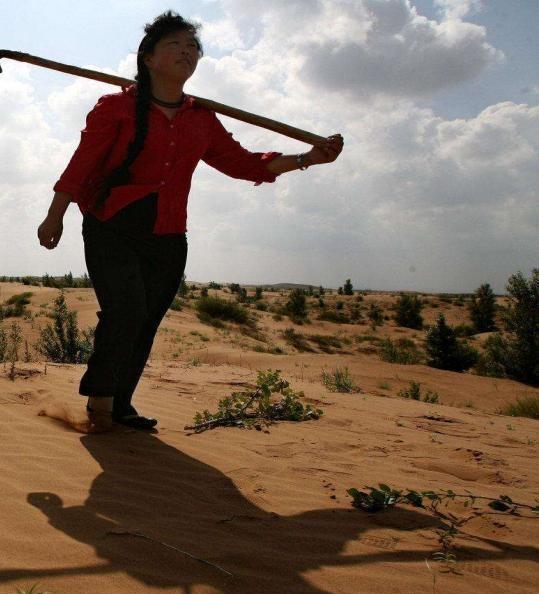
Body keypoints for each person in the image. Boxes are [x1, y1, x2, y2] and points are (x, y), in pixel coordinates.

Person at [37, 11, 343, 431]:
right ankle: (101, 407)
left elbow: (244, 164)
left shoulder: (201, 118)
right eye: (174, 45)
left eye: (192, 47)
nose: (186, 52)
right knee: (124, 310)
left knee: (145, 319)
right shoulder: (116, 107)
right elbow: (81, 166)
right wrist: (55, 217)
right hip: (113, 224)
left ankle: (121, 404)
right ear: (148, 57)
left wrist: (309, 158)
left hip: (168, 233)